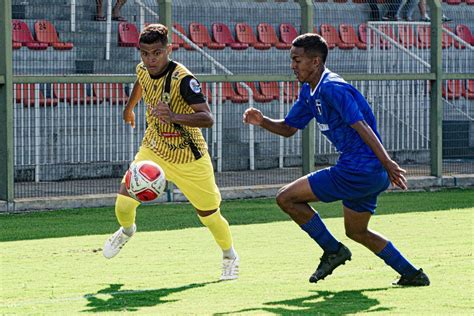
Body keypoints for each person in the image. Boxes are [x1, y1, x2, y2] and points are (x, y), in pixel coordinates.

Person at [243, 33, 430, 286]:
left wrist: (388, 163)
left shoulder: (332, 87)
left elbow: (361, 125)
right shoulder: (310, 90)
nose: (292, 65)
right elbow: (289, 128)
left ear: (316, 62)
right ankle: (412, 274)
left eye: (297, 60)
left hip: (358, 169)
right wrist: (262, 121)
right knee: (356, 231)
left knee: (285, 197)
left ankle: (333, 250)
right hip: (369, 172)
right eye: (292, 60)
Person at [102, 24, 239, 281]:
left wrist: (173, 116)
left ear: (169, 50)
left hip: (189, 157)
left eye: (156, 53)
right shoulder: (143, 69)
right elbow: (141, 82)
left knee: (210, 216)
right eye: (145, 53)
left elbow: (207, 118)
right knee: (123, 201)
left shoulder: (184, 80)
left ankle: (230, 256)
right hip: (153, 148)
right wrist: (129, 108)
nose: (150, 59)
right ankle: (127, 231)